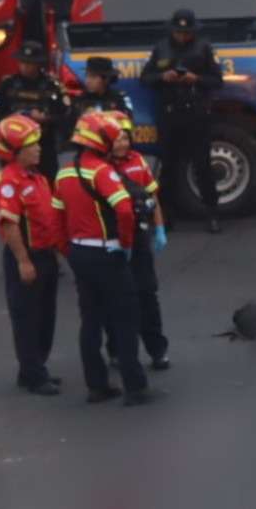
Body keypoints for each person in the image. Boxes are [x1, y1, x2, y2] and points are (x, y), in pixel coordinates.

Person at [55, 112, 151, 405]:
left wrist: (68, 250)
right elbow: (123, 209)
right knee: (125, 318)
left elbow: (57, 217)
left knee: (91, 320)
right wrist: (125, 243)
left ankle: (96, 386)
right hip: (107, 252)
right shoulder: (102, 172)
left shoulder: (64, 172)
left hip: (79, 253)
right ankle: (135, 387)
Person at [0, 114, 65, 395]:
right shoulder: (9, 182)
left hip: (46, 255)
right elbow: (10, 225)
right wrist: (23, 260)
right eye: (31, 145)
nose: (38, 149)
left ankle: (35, 369)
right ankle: (33, 374)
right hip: (27, 257)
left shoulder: (37, 177)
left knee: (46, 316)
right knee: (27, 318)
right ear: (15, 152)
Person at [140, 8, 223, 233]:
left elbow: (217, 80)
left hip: (196, 113)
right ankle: (166, 216)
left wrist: (195, 78)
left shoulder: (204, 48)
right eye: (178, 32)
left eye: (186, 32)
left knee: (203, 166)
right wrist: (162, 77)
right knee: (168, 168)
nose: (183, 36)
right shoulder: (160, 48)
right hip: (169, 114)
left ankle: (212, 214)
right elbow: (145, 78)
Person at [107, 109, 170, 371]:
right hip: (114, 241)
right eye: (116, 139)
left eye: (125, 138)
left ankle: (157, 351)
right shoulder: (101, 168)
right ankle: (117, 351)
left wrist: (159, 228)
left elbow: (151, 197)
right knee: (116, 299)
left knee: (147, 294)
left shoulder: (138, 161)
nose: (122, 143)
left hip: (139, 238)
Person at [0, 41, 71, 172]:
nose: (25, 67)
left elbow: (65, 115)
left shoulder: (52, 86)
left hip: (43, 146)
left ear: (38, 64)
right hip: (14, 148)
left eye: (29, 63)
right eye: (22, 62)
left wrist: (46, 119)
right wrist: (14, 118)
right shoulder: (7, 84)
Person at [67, 55, 130, 122]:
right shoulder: (79, 99)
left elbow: (127, 121)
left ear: (106, 79)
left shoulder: (119, 98)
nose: (88, 81)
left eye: (93, 77)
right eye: (87, 76)